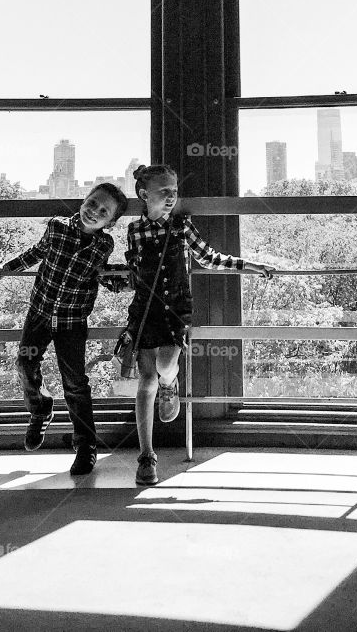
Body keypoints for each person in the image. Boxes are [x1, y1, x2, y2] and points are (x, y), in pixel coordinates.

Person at [124, 164, 274, 485]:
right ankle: (146, 456)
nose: (171, 196)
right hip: (145, 309)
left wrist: (250, 265)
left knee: (165, 364)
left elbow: (209, 257)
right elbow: (133, 272)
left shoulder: (181, 226)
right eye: (164, 191)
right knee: (145, 378)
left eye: (174, 191)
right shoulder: (134, 231)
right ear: (143, 195)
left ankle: (171, 384)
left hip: (177, 308)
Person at [0, 182, 130, 476]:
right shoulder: (56, 227)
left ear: (111, 223)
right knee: (25, 363)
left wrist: (122, 281)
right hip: (40, 312)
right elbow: (35, 253)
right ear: (84, 200)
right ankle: (40, 408)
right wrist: (7, 268)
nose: (94, 212)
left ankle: (86, 445)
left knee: (75, 383)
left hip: (72, 321)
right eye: (92, 203)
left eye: (103, 212)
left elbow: (100, 274)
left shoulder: (103, 246)